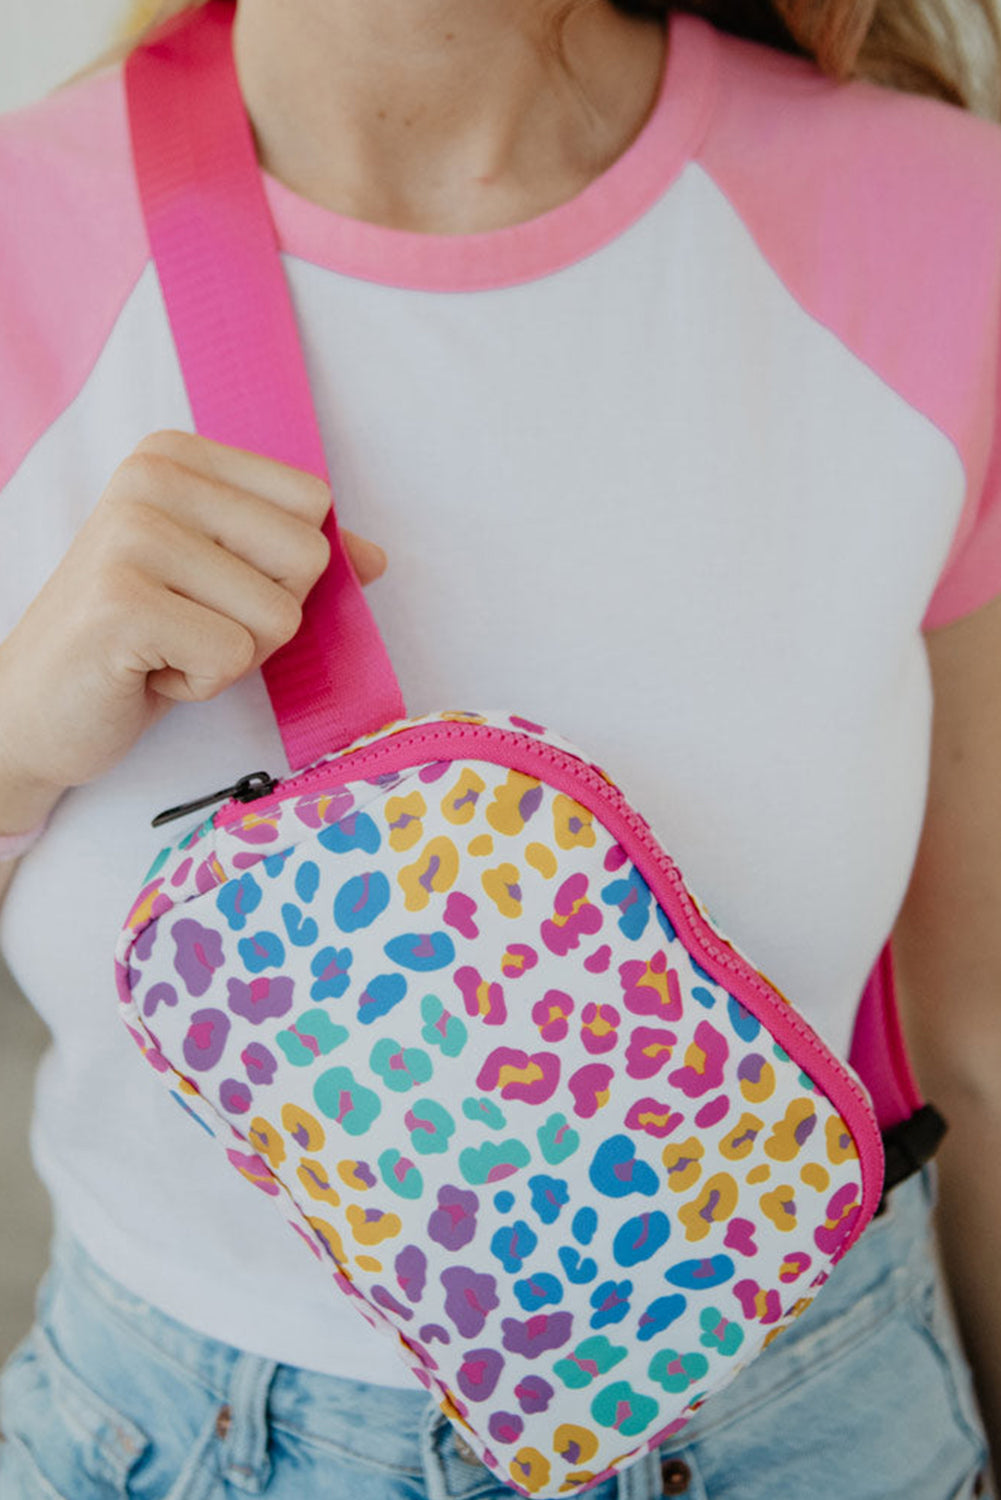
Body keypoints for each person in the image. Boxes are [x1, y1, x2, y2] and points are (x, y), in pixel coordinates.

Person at [1, 0, 1000, 1495]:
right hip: (179, 1440)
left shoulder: (943, 224)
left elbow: (979, 1027)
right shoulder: (25, 239)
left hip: (824, 1413)